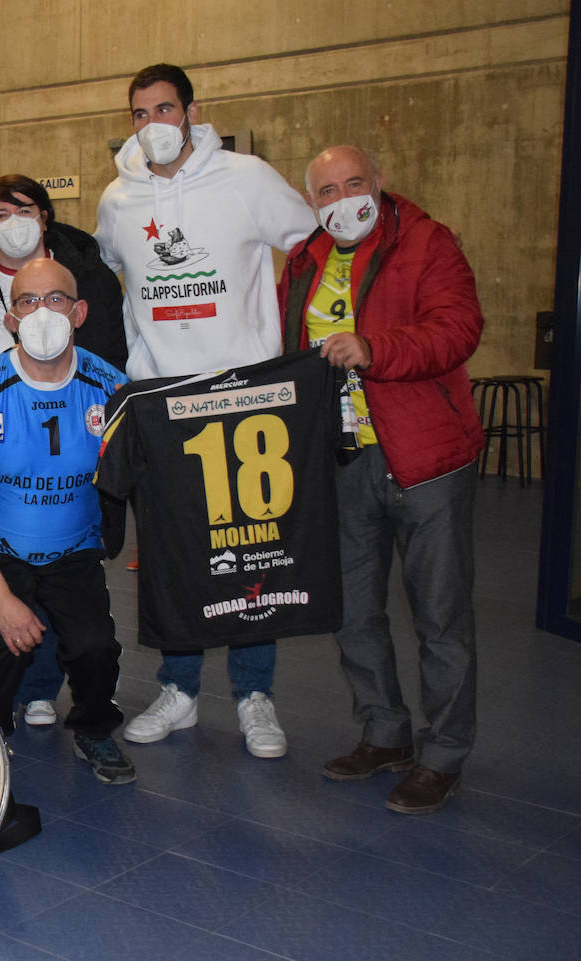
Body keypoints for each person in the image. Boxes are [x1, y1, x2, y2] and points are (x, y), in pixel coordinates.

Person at [94, 62, 317, 757]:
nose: (152, 125)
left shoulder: (246, 178)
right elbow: (106, 281)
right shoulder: (116, 199)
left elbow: (309, 251)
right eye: (139, 114)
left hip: (246, 400)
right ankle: (180, 690)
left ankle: (255, 694)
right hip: (163, 402)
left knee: (251, 547)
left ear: (191, 112)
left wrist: (294, 354)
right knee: (171, 553)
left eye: (164, 110)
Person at [279, 145, 484, 814]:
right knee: (355, 608)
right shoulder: (304, 260)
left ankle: (444, 752)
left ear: (380, 182)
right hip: (344, 460)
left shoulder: (428, 242)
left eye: (354, 183)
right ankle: (385, 730)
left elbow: (457, 329)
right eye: (328, 190)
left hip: (425, 458)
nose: (343, 199)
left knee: (440, 612)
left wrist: (374, 349)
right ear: (313, 201)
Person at [0, 257, 134, 784]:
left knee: (95, 647)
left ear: (80, 312)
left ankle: (94, 730)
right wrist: (2, 600)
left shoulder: (112, 387)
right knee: (2, 645)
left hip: (76, 548)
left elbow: (142, 475)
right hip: (2, 549)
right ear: (10, 318)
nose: (41, 311)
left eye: (55, 299)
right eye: (27, 301)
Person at [0, 174, 126, 376]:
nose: (14, 222)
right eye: (1, 215)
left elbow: (115, 357)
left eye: (24, 211)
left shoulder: (92, 278)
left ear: (44, 219)